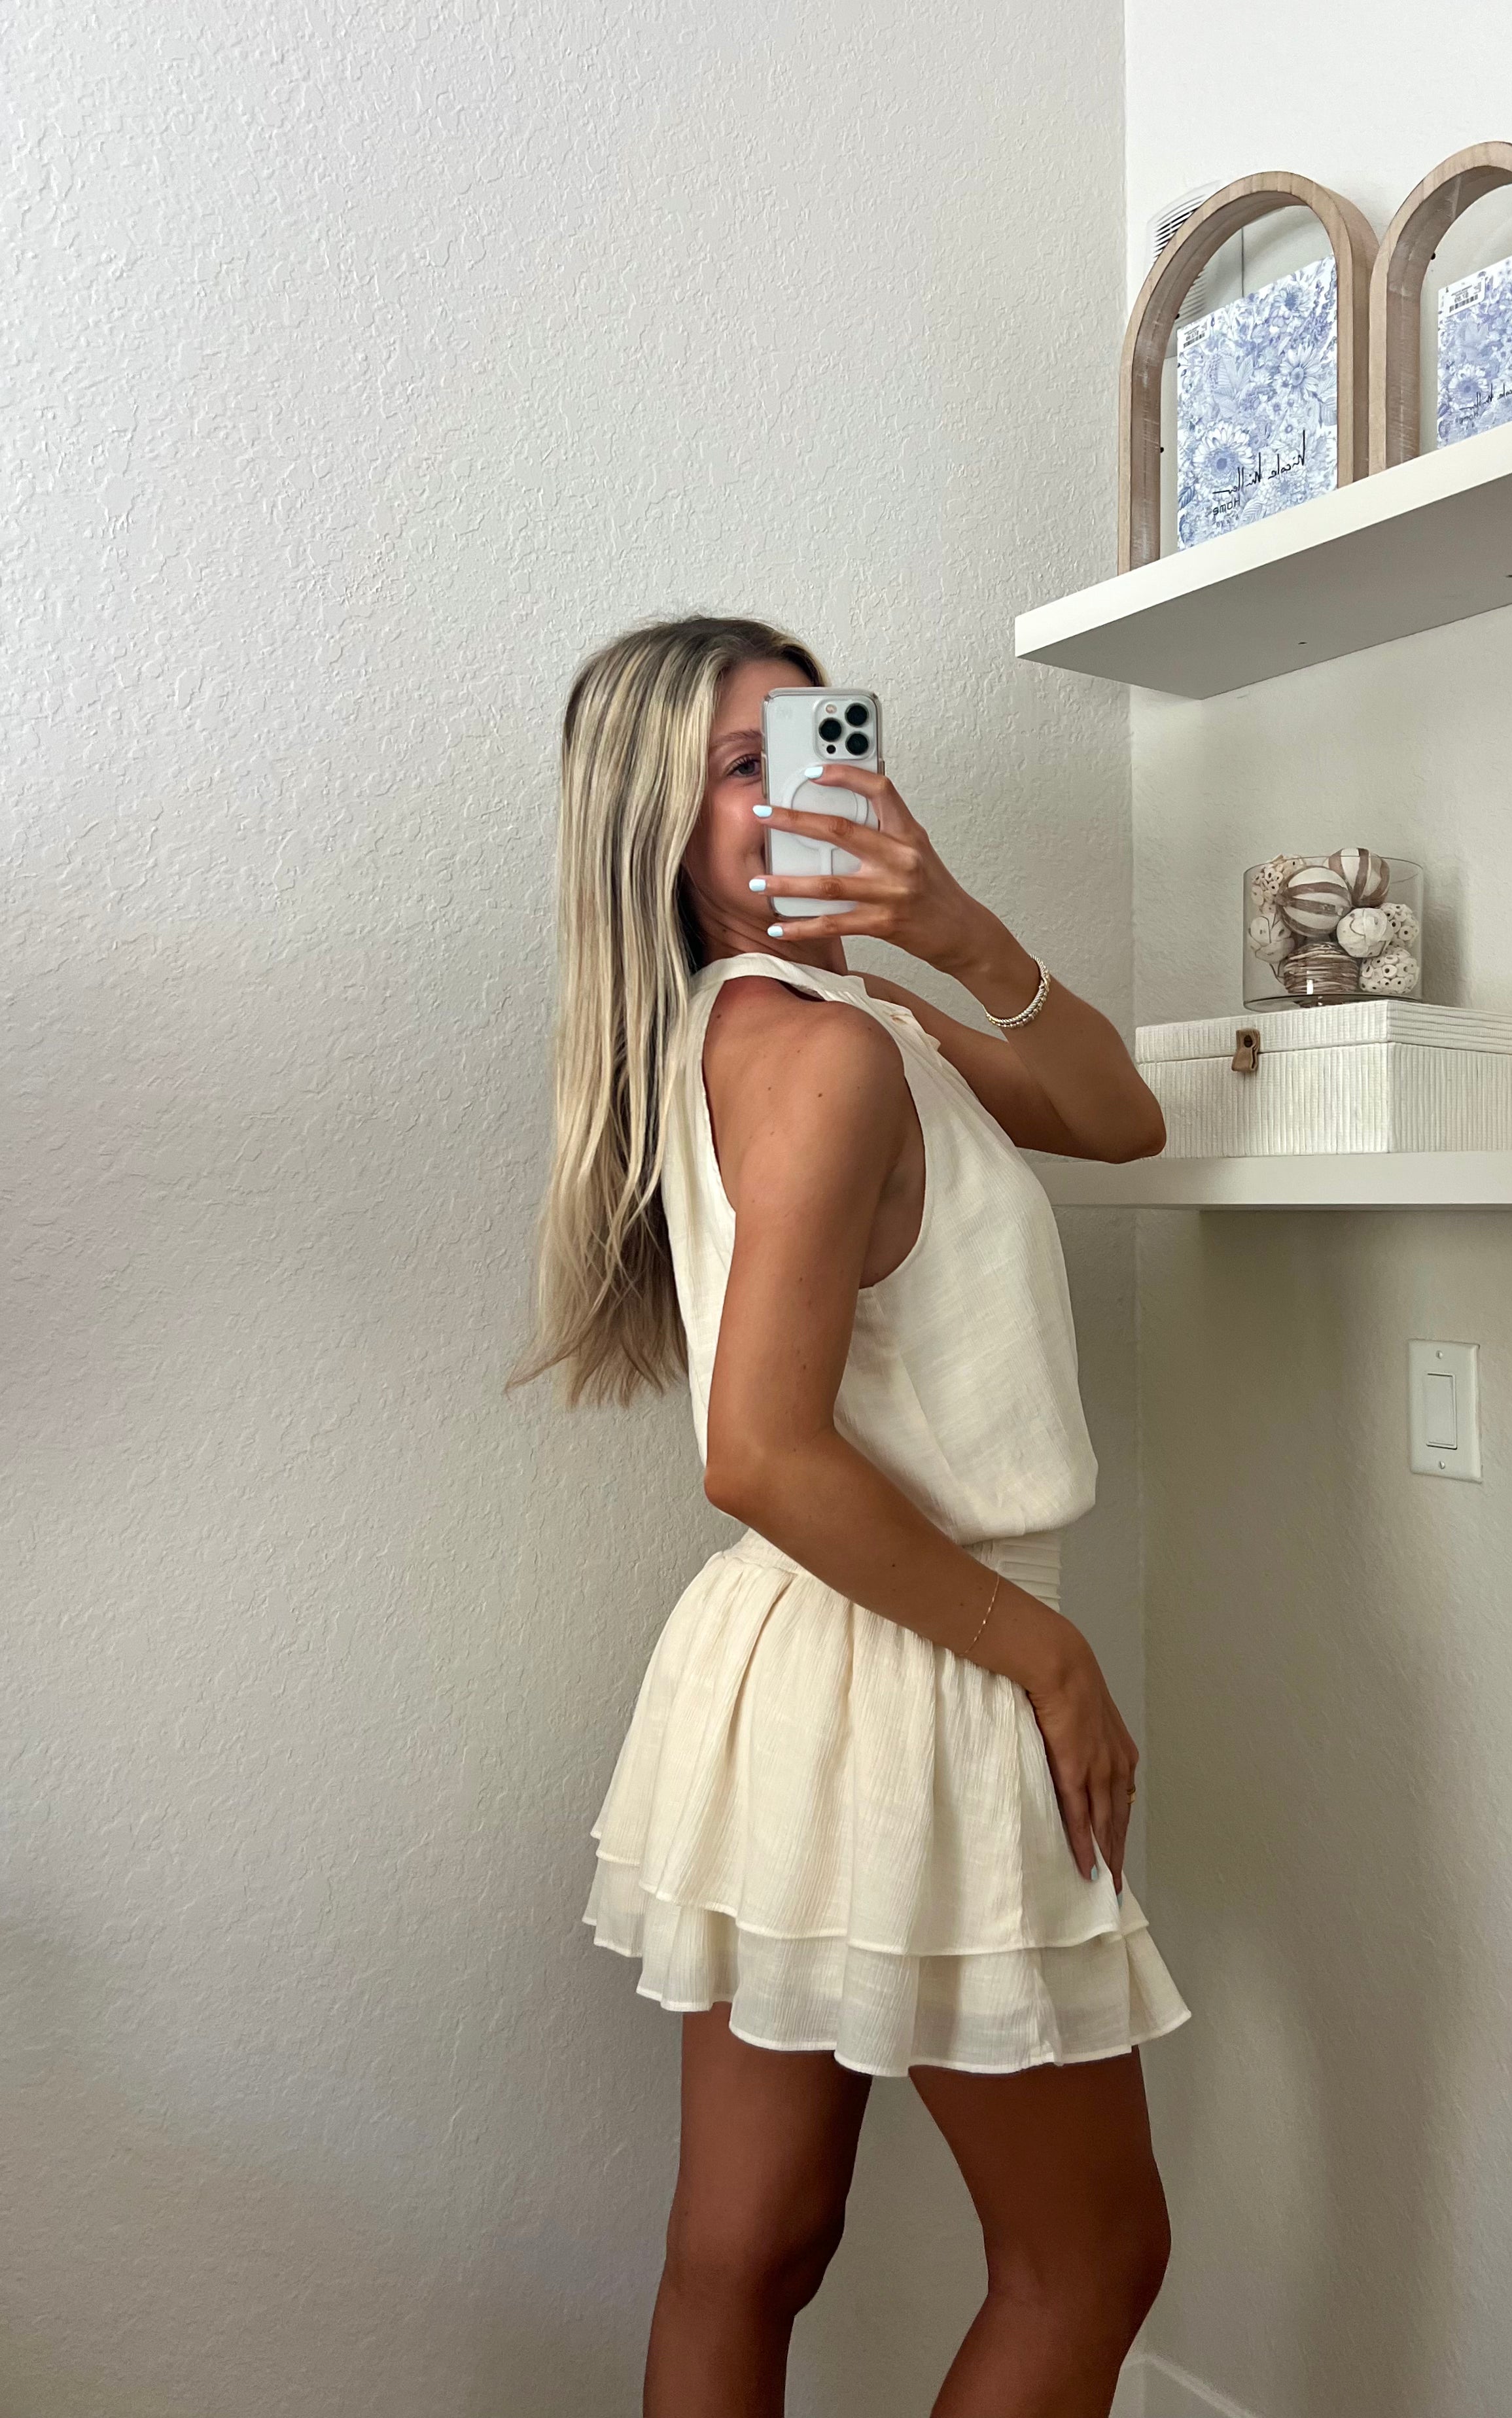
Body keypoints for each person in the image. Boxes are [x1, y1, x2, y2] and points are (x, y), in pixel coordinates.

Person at [510, 614, 1190, 2418]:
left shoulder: (816, 1024)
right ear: (657, 833)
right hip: (925, 1658)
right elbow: (758, 1453)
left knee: (744, 2250)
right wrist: (1048, 1658)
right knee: (1090, 2261)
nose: (797, 788)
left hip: (793, 1662)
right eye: (745, 766)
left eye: (813, 743)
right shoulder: (826, 1056)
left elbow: (1120, 1119)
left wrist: (948, 925)